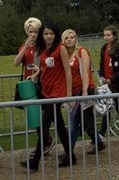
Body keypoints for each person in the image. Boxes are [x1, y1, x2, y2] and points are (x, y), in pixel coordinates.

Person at [23, 21, 74, 171]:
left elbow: (67, 71)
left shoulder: (61, 48)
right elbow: (45, 69)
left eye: (51, 33)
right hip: (47, 91)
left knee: (44, 125)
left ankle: (35, 162)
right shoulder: (43, 50)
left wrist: (69, 96)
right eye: (46, 34)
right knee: (59, 127)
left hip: (58, 93)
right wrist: (35, 75)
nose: (49, 36)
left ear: (56, 34)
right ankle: (71, 157)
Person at [13, 17, 54, 154]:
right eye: (30, 32)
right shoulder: (24, 46)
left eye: (35, 31)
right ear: (26, 32)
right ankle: (46, 141)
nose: (33, 34)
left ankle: (46, 141)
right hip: (29, 85)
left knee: (47, 114)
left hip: (43, 83)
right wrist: (25, 47)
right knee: (35, 114)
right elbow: (16, 62)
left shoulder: (43, 46)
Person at [63, 29, 104, 154]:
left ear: (76, 39)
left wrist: (85, 91)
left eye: (72, 37)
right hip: (73, 90)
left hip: (84, 89)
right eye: (66, 38)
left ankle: (68, 150)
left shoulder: (82, 51)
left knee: (74, 120)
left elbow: (86, 71)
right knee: (86, 121)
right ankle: (98, 142)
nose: (69, 39)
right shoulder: (65, 55)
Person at [98, 26, 119, 141]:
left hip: (117, 83)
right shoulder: (104, 48)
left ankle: (101, 134)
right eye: (104, 35)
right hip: (107, 83)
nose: (106, 37)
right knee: (114, 106)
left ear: (114, 36)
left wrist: (112, 79)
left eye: (108, 35)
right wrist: (101, 75)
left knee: (110, 106)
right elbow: (101, 64)